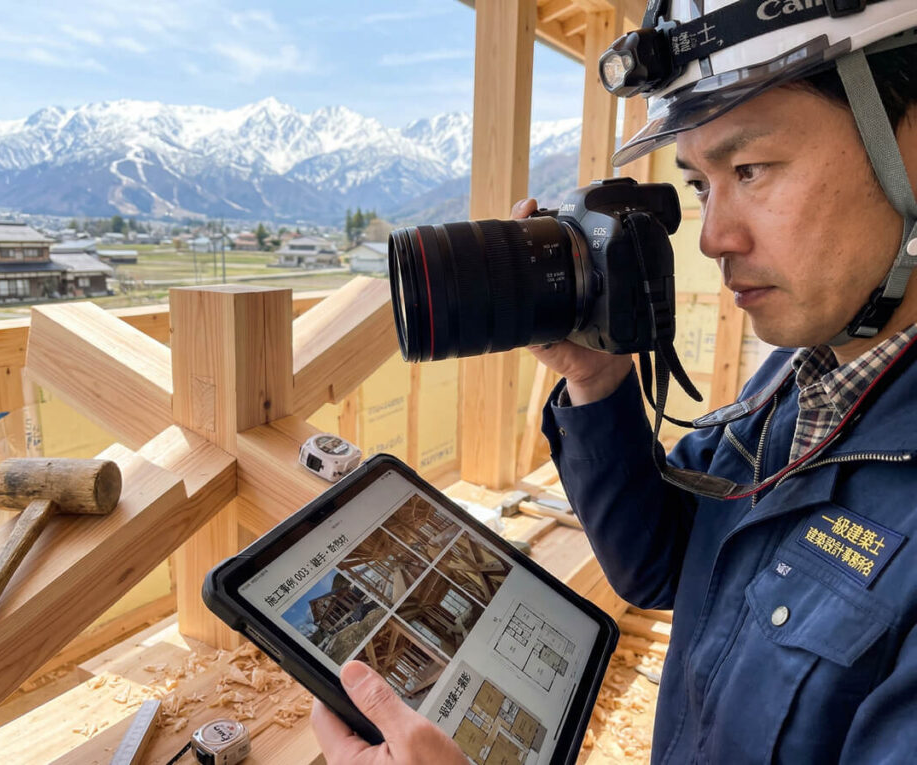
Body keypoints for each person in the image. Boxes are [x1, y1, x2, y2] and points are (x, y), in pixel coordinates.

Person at [313, 2, 917, 762]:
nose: (712, 237)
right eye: (700, 183)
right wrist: (598, 380)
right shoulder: (813, 376)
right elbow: (665, 561)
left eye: (751, 169)